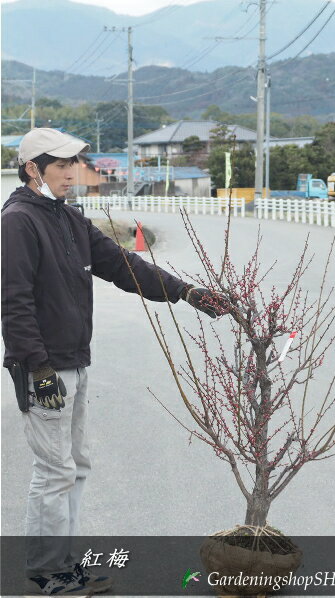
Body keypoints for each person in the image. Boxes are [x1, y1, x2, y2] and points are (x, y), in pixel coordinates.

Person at [1, 128, 227, 595]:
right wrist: (37, 367)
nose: (71, 173)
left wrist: (185, 292)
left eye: (73, 164)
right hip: (44, 366)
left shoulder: (68, 218)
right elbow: (14, 302)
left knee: (76, 465)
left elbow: (125, 265)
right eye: (60, 165)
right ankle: (47, 572)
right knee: (54, 469)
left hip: (74, 359)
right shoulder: (19, 221)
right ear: (32, 170)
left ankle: (64, 564)